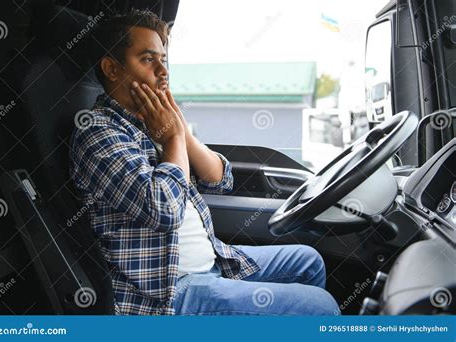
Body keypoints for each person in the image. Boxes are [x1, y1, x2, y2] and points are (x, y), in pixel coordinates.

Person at [69, 9, 340, 316]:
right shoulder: (97, 133)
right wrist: (171, 140)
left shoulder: (148, 123)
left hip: (212, 260)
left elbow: (219, 179)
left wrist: (181, 132)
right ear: (112, 69)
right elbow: (165, 211)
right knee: (321, 308)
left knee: (307, 261)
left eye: (163, 59)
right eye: (148, 59)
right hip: (169, 291)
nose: (163, 71)